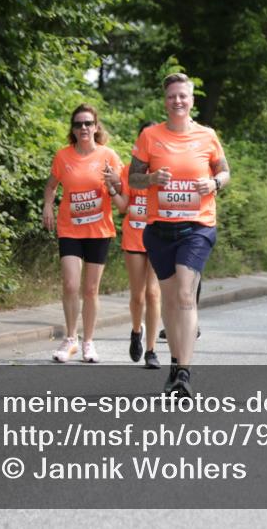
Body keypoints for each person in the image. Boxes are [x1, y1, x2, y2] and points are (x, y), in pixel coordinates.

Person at [129, 73, 230, 397]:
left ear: (192, 100)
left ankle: (184, 373)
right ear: (165, 100)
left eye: (183, 96)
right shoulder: (149, 136)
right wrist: (152, 178)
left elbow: (225, 172)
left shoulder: (207, 136)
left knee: (186, 293)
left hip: (197, 227)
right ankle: (175, 364)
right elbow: (133, 178)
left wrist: (213, 184)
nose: (178, 101)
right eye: (172, 96)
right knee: (171, 301)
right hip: (159, 230)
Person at [43, 104, 124, 363]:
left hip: (98, 230)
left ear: (96, 127)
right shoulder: (63, 157)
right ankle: (70, 339)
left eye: (88, 123)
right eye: (78, 124)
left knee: (90, 289)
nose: (84, 128)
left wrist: (115, 183)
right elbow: (51, 185)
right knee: (70, 284)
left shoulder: (108, 155)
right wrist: (47, 206)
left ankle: (88, 342)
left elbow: (124, 187)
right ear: (73, 130)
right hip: (70, 229)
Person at [108, 120, 162, 368]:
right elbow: (123, 207)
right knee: (138, 295)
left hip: (159, 236)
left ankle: (151, 350)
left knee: (153, 293)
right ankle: (135, 330)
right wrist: (111, 189)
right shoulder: (129, 171)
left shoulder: (167, 170)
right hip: (134, 237)